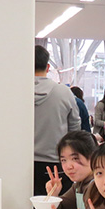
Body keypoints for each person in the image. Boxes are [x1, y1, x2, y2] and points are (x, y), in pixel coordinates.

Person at [35, 131, 105, 209]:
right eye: (63, 160)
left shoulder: (97, 188)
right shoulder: (80, 185)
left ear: (93, 156)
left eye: (75, 159)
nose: (68, 166)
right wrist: (53, 197)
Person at [33, 44, 80, 197]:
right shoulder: (64, 92)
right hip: (56, 164)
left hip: (23, 164)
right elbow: (75, 130)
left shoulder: (15, 93)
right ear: (47, 67)